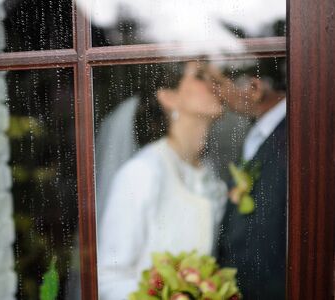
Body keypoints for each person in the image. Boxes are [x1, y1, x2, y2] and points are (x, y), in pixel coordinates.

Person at [97, 62, 228, 299]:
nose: (216, 83)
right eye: (200, 76)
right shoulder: (143, 172)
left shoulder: (210, 174)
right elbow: (108, 277)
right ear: (168, 97)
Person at [216, 58, 287, 299]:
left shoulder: (292, 139)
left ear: (254, 88)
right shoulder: (263, 132)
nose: (219, 95)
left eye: (219, 84)